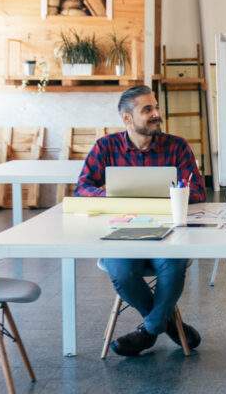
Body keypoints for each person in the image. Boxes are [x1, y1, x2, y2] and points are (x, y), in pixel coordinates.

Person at [76, 85, 205, 356]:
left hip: (168, 231)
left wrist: (175, 193)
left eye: (156, 107)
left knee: (173, 267)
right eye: (147, 109)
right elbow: (83, 188)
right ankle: (169, 324)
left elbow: (197, 191)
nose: (156, 113)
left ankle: (148, 331)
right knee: (122, 272)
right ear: (127, 118)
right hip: (121, 232)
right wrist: (109, 194)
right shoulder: (106, 147)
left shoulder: (177, 146)